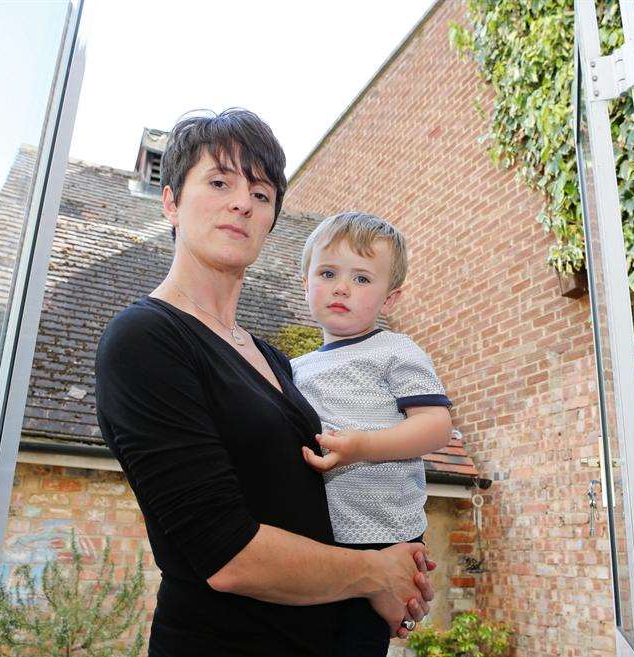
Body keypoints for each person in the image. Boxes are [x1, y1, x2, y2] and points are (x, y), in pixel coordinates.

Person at [94, 109, 434, 657]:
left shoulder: (277, 360)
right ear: (171, 202)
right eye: (220, 182)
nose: (242, 203)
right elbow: (227, 555)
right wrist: (375, 572)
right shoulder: (145, 339)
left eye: (261, 193)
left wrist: (400, 566)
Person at [291, 212, 454, 657]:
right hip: (320, 542)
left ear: (390, 298)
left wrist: (361, 446)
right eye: (328, 273)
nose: (342, 287)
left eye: (362, 278)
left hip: (386, 536)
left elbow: (435, 425)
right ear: (304, 281)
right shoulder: (293, 369)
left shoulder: (394, 351)